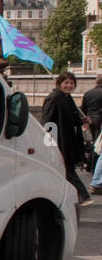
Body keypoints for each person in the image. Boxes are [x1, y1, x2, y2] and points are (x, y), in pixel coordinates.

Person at [41, 71, 91, 206]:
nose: (69, 86)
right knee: (66, 168)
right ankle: (82, 194)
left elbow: (72, 118)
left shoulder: (67, 98)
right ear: (59, 83)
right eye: (66, 83)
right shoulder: (55, 97)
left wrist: (82, 120)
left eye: (71, 83)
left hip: (67, 139)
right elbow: (47, 120)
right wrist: (49, 141)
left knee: (65, 169)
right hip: (58, 139)